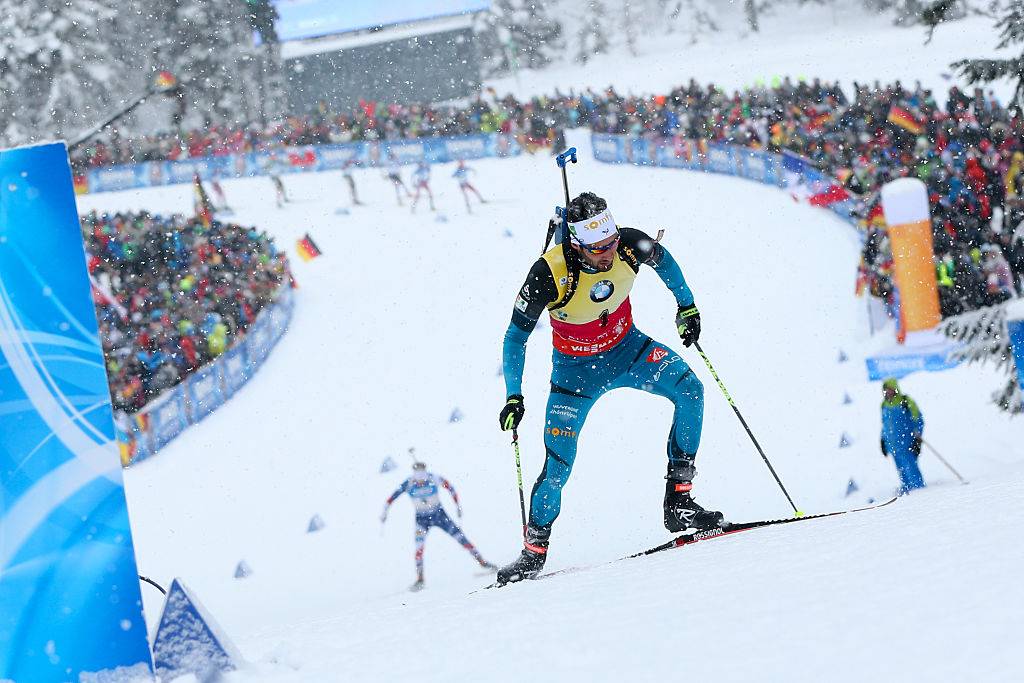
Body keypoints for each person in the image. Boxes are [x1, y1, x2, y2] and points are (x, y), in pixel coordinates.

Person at [495, 191, 718, 585]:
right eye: (597, 249)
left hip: (629, 350)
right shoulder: (549, 272)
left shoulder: (630, 244)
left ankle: (679, 501)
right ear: (576, 245)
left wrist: (687, 306)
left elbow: (665, 263)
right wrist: (514, 394)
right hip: (574, 377)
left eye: (611, 241)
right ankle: (534, 553)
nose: (609, 253)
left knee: (691, 391)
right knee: (557, 468)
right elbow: (515, 337)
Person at [381, 461, 495, 591]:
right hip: (421, 520)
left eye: (422, 473)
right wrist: (385, 512)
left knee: (461, 538)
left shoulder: (433, 478)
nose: (421, 478)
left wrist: (457, 505)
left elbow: (450, 487)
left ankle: (482, 562)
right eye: (418, 474)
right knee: (419, 548)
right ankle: (420, 579)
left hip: (440, 516)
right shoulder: (409, 482)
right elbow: (391, 498)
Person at [880, 378, 926, 494]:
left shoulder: (906, 401)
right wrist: (883, 441)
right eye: (886, 390)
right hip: (893, 444)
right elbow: (884, 424)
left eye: (890, 389)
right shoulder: (884, 405)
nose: (888, 392)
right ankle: (907, 488)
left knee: (910, 466)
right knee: (900, 468)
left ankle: (919, 490)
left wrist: (917, 437)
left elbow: (918, 419)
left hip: (907, 442)